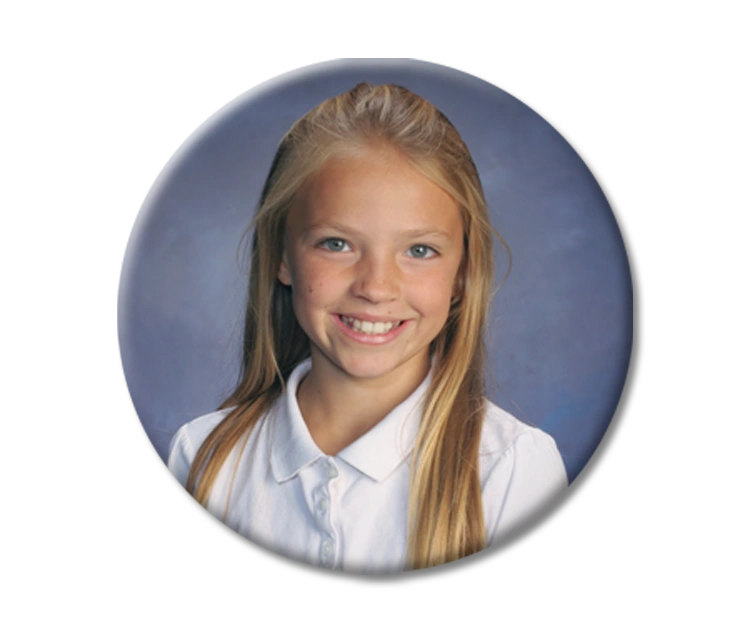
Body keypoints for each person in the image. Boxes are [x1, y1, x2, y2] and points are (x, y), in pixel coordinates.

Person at [167, 82, 568, 572]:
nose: (376, 288)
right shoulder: (202, 460)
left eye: (419, 250)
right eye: (336, 244)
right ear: (282, 257)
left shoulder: (512, 470)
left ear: (462, 274)